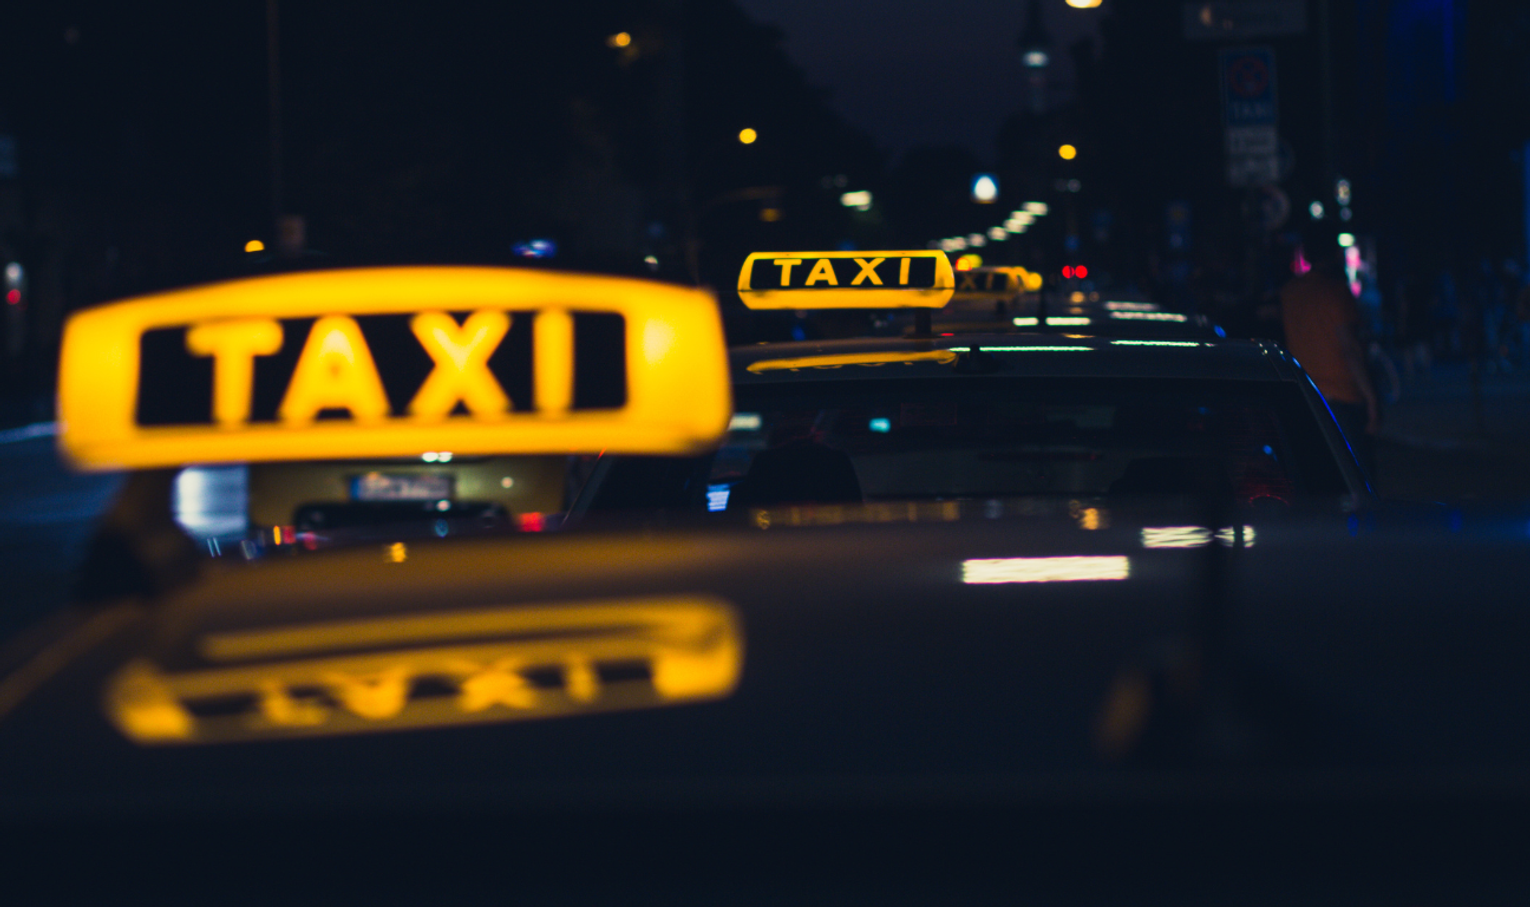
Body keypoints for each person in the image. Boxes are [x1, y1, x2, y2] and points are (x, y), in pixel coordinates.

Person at [1280, 227, 1380, 476]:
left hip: (1306, 394)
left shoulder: (1290, 292)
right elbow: (1350, 349)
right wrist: (1371, 398)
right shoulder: (1336, 292)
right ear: (1335, 253)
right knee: (1357, 473)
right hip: (1342, 396)